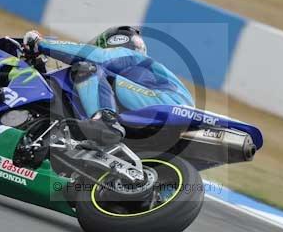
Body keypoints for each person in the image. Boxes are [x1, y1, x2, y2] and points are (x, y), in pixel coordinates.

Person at [21, 26, 195, 146]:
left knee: (87, 68)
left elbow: (95, 57)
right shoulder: (138, 73)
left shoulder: (128, 55)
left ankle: (105, 122)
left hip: (165, 104)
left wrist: (41, 44)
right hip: (170, 114)